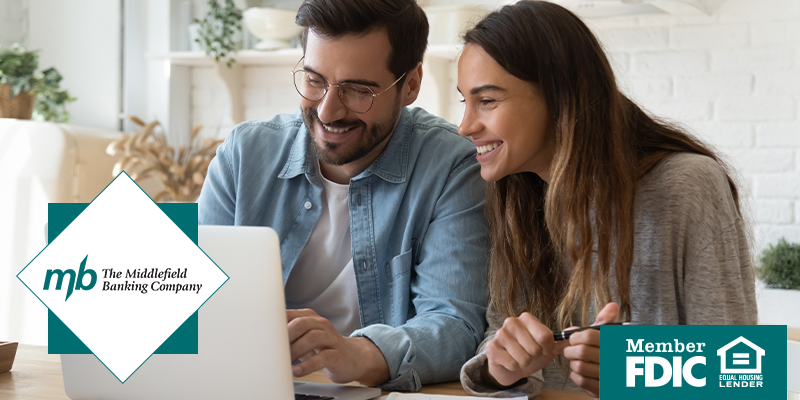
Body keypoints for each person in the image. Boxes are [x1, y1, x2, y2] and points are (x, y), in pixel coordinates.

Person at [455, 1, 757, 398]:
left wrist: (642, 371)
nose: (465, 127)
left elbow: (747, 374)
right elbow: (502, 333)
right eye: (465, 101)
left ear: (560, 96)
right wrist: (499, 369)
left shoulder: (687, 186)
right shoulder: (518, 195)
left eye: (488, 101)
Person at [196, 0, 490, 392]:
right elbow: (190, 298)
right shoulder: (244, 154)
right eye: (315, 80)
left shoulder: (452, 166)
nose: (328, 111)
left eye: (357, 90)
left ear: (411, 85)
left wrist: (357, 354)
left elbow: (457, 325)